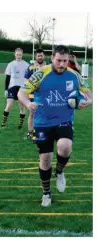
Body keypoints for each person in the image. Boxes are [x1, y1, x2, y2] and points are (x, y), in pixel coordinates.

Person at [18, 45, 92, 207]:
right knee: (45, 159)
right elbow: (21, 92)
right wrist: (28, 103)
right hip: (42, 123)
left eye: (65, 61)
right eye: (58, 60)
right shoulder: (41, 73)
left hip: (64, 120)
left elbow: (88, 92)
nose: (61, 64)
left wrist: (88, 102)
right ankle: (46, 193)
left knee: (65, 147)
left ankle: (59, 172)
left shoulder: (74, 75)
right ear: (52, 58)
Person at [1, 48, 29, 129]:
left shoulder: (26, 65)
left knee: (21, 107)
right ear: (15, 54)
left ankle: (20, 125)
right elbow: (7, 78)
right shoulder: (10, 64)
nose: (18, 56)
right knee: (9, 105)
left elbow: (28, 78)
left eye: (20, 55)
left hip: (22, 88)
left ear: (22, 55)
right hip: (12, 87)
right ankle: (3, 124)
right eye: (17, 54)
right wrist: (6, 89)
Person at [24, 48, 47, 139]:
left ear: (44, 56)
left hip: (46, 94)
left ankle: (45, 131)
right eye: (38, 56)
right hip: (33, 94)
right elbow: (25, 80)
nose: (40, 57)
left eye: (41, 55)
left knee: (46, 112)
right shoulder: (31, 67)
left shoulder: (49, 66)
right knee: (32, 112)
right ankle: (30, 132)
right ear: (35, 57)